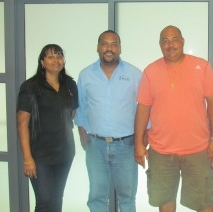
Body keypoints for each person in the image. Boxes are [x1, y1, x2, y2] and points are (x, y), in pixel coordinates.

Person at [134, 25, 213, 212]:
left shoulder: (202, 66)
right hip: (161, 150)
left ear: (182, 41)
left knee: (204, 203)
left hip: (197, 149)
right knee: (165, 200)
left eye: (174, 39)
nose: (170, 44)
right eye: (165, 41)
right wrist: (138, 144)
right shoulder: (150, 71)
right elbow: (143, 108)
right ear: (160, 45)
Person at [74, 30, 141, 212]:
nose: (109, 48)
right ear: (98, 47)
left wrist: (143, 139)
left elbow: (143, 108)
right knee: (97, 198)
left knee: (127, 198)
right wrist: (83, 134)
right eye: (104, 43)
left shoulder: (135, 74)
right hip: (96, 145)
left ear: (120, 48)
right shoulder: (86, 74)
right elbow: (81, 107)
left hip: (126, 146)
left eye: (114, 44)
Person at [17, 44, 78, 212]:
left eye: (59, 56)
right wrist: (27, 158)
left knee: (57, 198)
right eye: (50, 57)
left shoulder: (70, 85)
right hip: (40, 156)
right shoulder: (30, 87)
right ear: (42, 62)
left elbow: (71, 114)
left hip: (65, 153)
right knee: (44, 202)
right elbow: (22, 124)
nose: (56, 60)